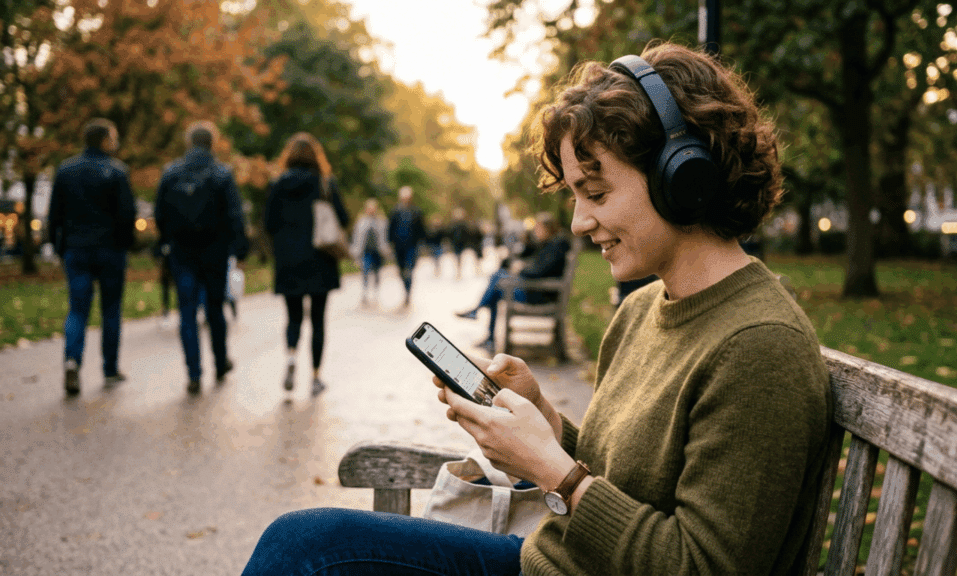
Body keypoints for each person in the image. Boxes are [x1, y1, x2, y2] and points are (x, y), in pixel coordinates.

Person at [242, 42, 831, 576]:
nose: (579, 222)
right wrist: (545, 422)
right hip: (547, 561)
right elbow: (618, 481)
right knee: (304, 545)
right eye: (575, 196)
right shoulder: (644, 309)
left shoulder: (759, 347)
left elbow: (701, 564)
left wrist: (554, 471)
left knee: (306, 554)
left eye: (596, 194)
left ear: (685, 178)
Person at [154, 121, 248, 395]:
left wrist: (165, 244)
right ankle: (220, 361)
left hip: (182, 252)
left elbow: (161, 214)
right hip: (214, 251)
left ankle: (193, 372)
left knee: (187, 312)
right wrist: (239, 248)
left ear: (189, 142)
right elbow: (234, 214)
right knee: (215, 309)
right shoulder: (221, 174)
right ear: (212, 143)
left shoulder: (171, 173)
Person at [47, 118, 137, 396]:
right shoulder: (117, 172)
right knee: (111, 310)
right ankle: (110, 368)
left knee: (77, 309)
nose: (117, 142)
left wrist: (59, 246)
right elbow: (127, 214)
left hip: (76, 249)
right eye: (114, 137)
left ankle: (72, 360)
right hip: (110, 250)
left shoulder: (66, 170)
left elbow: (54, 215)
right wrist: (125, 245)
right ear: (104, 140)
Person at [265, 133, 349, 396]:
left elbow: (269, 223)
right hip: (319, 260)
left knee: (293, 317)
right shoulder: (325, 183)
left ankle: (291, 358)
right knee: (318, 320)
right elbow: (343, 218)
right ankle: (315, 376)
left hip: (289, 261)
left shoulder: (278, 184)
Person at [454, 212, 571, 353]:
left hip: (539, 294)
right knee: (497, 276)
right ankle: (484, 325)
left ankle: (482, 320)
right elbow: (528, 256)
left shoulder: (556, 247)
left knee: (497, 286)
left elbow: (539, 272)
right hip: (535, 290)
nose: (536, 232)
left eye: (538, 228)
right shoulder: (549, 244)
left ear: (548, 229)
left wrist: (520, 269)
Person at [387, 185, 426, 307]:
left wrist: (422, 243)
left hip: (411, 246)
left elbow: (421, 229)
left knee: (409, 270)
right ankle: (405, 289)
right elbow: (390, 229)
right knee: (401, 271)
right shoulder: (395, 212)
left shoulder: (416, 211)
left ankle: (408, 293)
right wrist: (389, 243)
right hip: (398, 246)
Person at [350, 198, 390, 305]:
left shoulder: (382, 221)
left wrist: (386, 250)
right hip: (365, 251)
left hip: (378, 251)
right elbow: (356, 237)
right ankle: (365, 293)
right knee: (365, 271)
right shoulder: (361, 221)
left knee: (377, 272)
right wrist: (354, 251)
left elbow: (385, 237)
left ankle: (375, 293)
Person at [447, 207, 471, 279]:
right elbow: (449, 234)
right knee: (457, 257)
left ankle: (459, 270)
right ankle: (458, 271)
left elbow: (467, 234)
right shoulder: (452, 224)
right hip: (455, 243)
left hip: (462, 243)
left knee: (460, 257)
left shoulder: (464, 225)